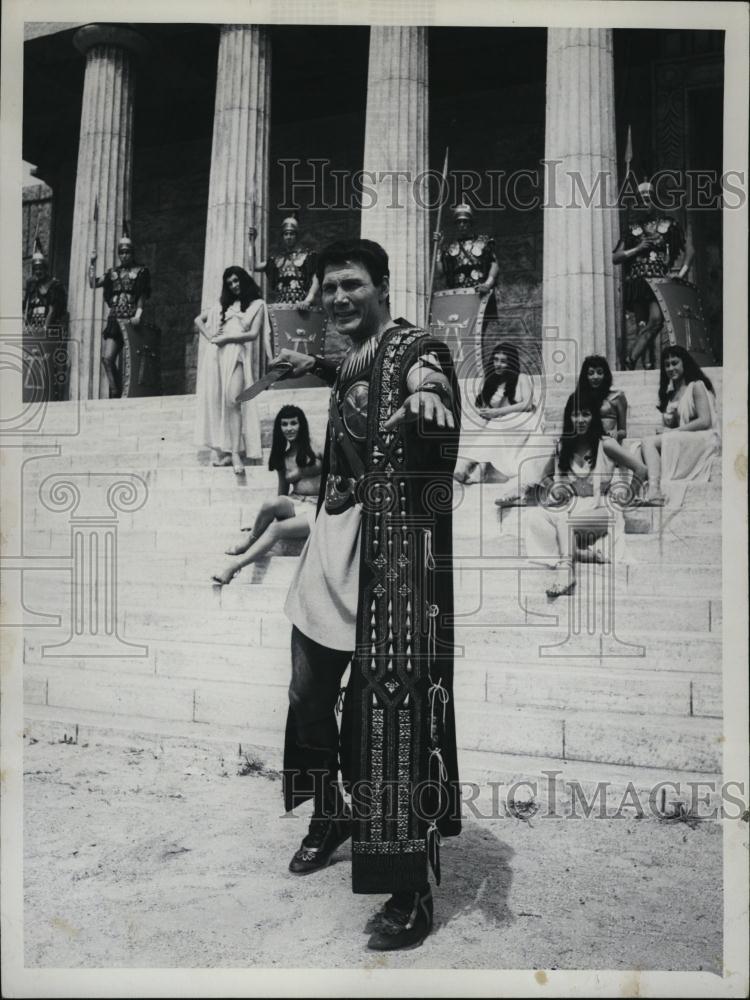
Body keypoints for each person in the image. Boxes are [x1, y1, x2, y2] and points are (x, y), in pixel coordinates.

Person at [271, 239, 461, 951]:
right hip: (332, 547)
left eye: (353, 285)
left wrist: (426, 393)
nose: (340, 298)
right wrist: (311, 363)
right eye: (330, 289)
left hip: (391, 565)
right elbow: (354, 370)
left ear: (383, 283)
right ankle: (331, 814)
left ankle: (408, 887)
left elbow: (423, 371)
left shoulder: (416, 347)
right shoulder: (355, 356)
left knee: (390, 723)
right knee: (308, 697)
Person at [524, 393, 628, 599]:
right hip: (571, 506)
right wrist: (554, 489)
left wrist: (625, 489)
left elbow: (640, 468)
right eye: (575, 414)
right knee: (534, 517)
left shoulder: (605, 443)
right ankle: (578, 553)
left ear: (594, 417)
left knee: (566, 521)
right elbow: (544, 477)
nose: (580, 420)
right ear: (568, 418)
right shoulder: (564, 445)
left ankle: (566, 571)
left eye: (586, 414)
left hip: (602, 508)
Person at [211, 405, 322, 585]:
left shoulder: (316, 445)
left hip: (318, 508)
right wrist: (262, 521)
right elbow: (282, 495)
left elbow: (337, 472)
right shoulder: (283, 456)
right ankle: (249, 541)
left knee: (275, 530)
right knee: (270, 503)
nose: (289, 428)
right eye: (284, 424)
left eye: (294, 423)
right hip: (296, 502)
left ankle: (234, 566)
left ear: (302, 424)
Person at [194, 266, 272, 475]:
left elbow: (253, 334)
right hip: (215, 355)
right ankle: (226, 452)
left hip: (236, 351)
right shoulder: (223, 305)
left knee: (233, 400)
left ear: (244, 280)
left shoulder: (257, 304)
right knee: (219, 402)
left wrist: (227, 338)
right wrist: (211, 336)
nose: (234, 286)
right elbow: (198, 320)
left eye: (236, 281)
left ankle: (236, 453)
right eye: (229, 283)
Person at [613, 180, 691, 371]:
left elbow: (690, 250)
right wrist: (637, 249)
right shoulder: (633, 229)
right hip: (638, 282)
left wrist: (681, 274)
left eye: (649, 198)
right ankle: (646, 366)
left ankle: (630, 358)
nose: (645, 202)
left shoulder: (669, 224)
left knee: (656, 321)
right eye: (642, 199)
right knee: (642, 326)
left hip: (659, 281)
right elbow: (615, 257)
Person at [639, 345, 720, 505]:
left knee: (648, 442)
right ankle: (636, 491)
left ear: (684, 363)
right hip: (686, 437)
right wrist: (668, 429)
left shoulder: (696, 386)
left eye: (675, 363)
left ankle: (655, 491)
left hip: (705, 438)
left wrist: (670, 432)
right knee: (637, 447)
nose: (670, 368)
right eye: (667, 365)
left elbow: (705, 421)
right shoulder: (671, 395)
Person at [453, 341, 540, 488]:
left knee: (497, 423)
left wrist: (497, 412)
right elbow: (488, 408)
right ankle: (480, 468)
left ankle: (468, 463)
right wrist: (488, 413)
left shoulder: (522, 378)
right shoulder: (493, 382)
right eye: (496, 360)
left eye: (503, 361)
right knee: (496, 425)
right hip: (505, 424)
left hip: (525, 420)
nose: (498, 364)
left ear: (511, 362)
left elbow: (526, 405)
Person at [89, 226, 151, 398]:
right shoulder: (112, 273)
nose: (124, 255)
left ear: (132, 253)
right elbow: (93, 283)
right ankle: (115, 391)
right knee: (107, 358)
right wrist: (92, 262)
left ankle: (130, 393)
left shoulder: (141, 272)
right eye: (121, 252)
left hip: (132, 319)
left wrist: (138, 314)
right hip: (115, 319)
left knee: (133, 362)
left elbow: (142, 295)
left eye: (127, 252)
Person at [23, 238, 68, 400]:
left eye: (40, 268)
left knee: (51, 365)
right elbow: (26, 310)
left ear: (45, 268)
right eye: (35, 269)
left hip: (50, 330)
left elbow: (52, 309)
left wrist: (45, 329)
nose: (38, 272)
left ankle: (53, 396)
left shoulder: (54, 285)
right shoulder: (32, 286)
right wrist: (27, 327)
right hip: (34, 329)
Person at [250, 215, 320, 307]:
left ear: (296, 235)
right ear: (282, 236)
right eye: (286, 234)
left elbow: (317, 277)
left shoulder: (307, 256)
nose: (288, 237)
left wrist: (309, 298)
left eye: (292, 233)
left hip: (301, 304)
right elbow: (253, 266)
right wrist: (252, 242)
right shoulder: (277, 259)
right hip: (281, 304)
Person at [438, 203, 498, 296]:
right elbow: (441, 272)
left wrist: (488, 284)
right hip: (459, 293)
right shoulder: (450, 247)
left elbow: (494, 265)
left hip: (481, 290)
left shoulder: (484, 241)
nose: (462, 225)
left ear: (470, 222)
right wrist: (438, 247)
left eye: (465, 221)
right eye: (459, 222)